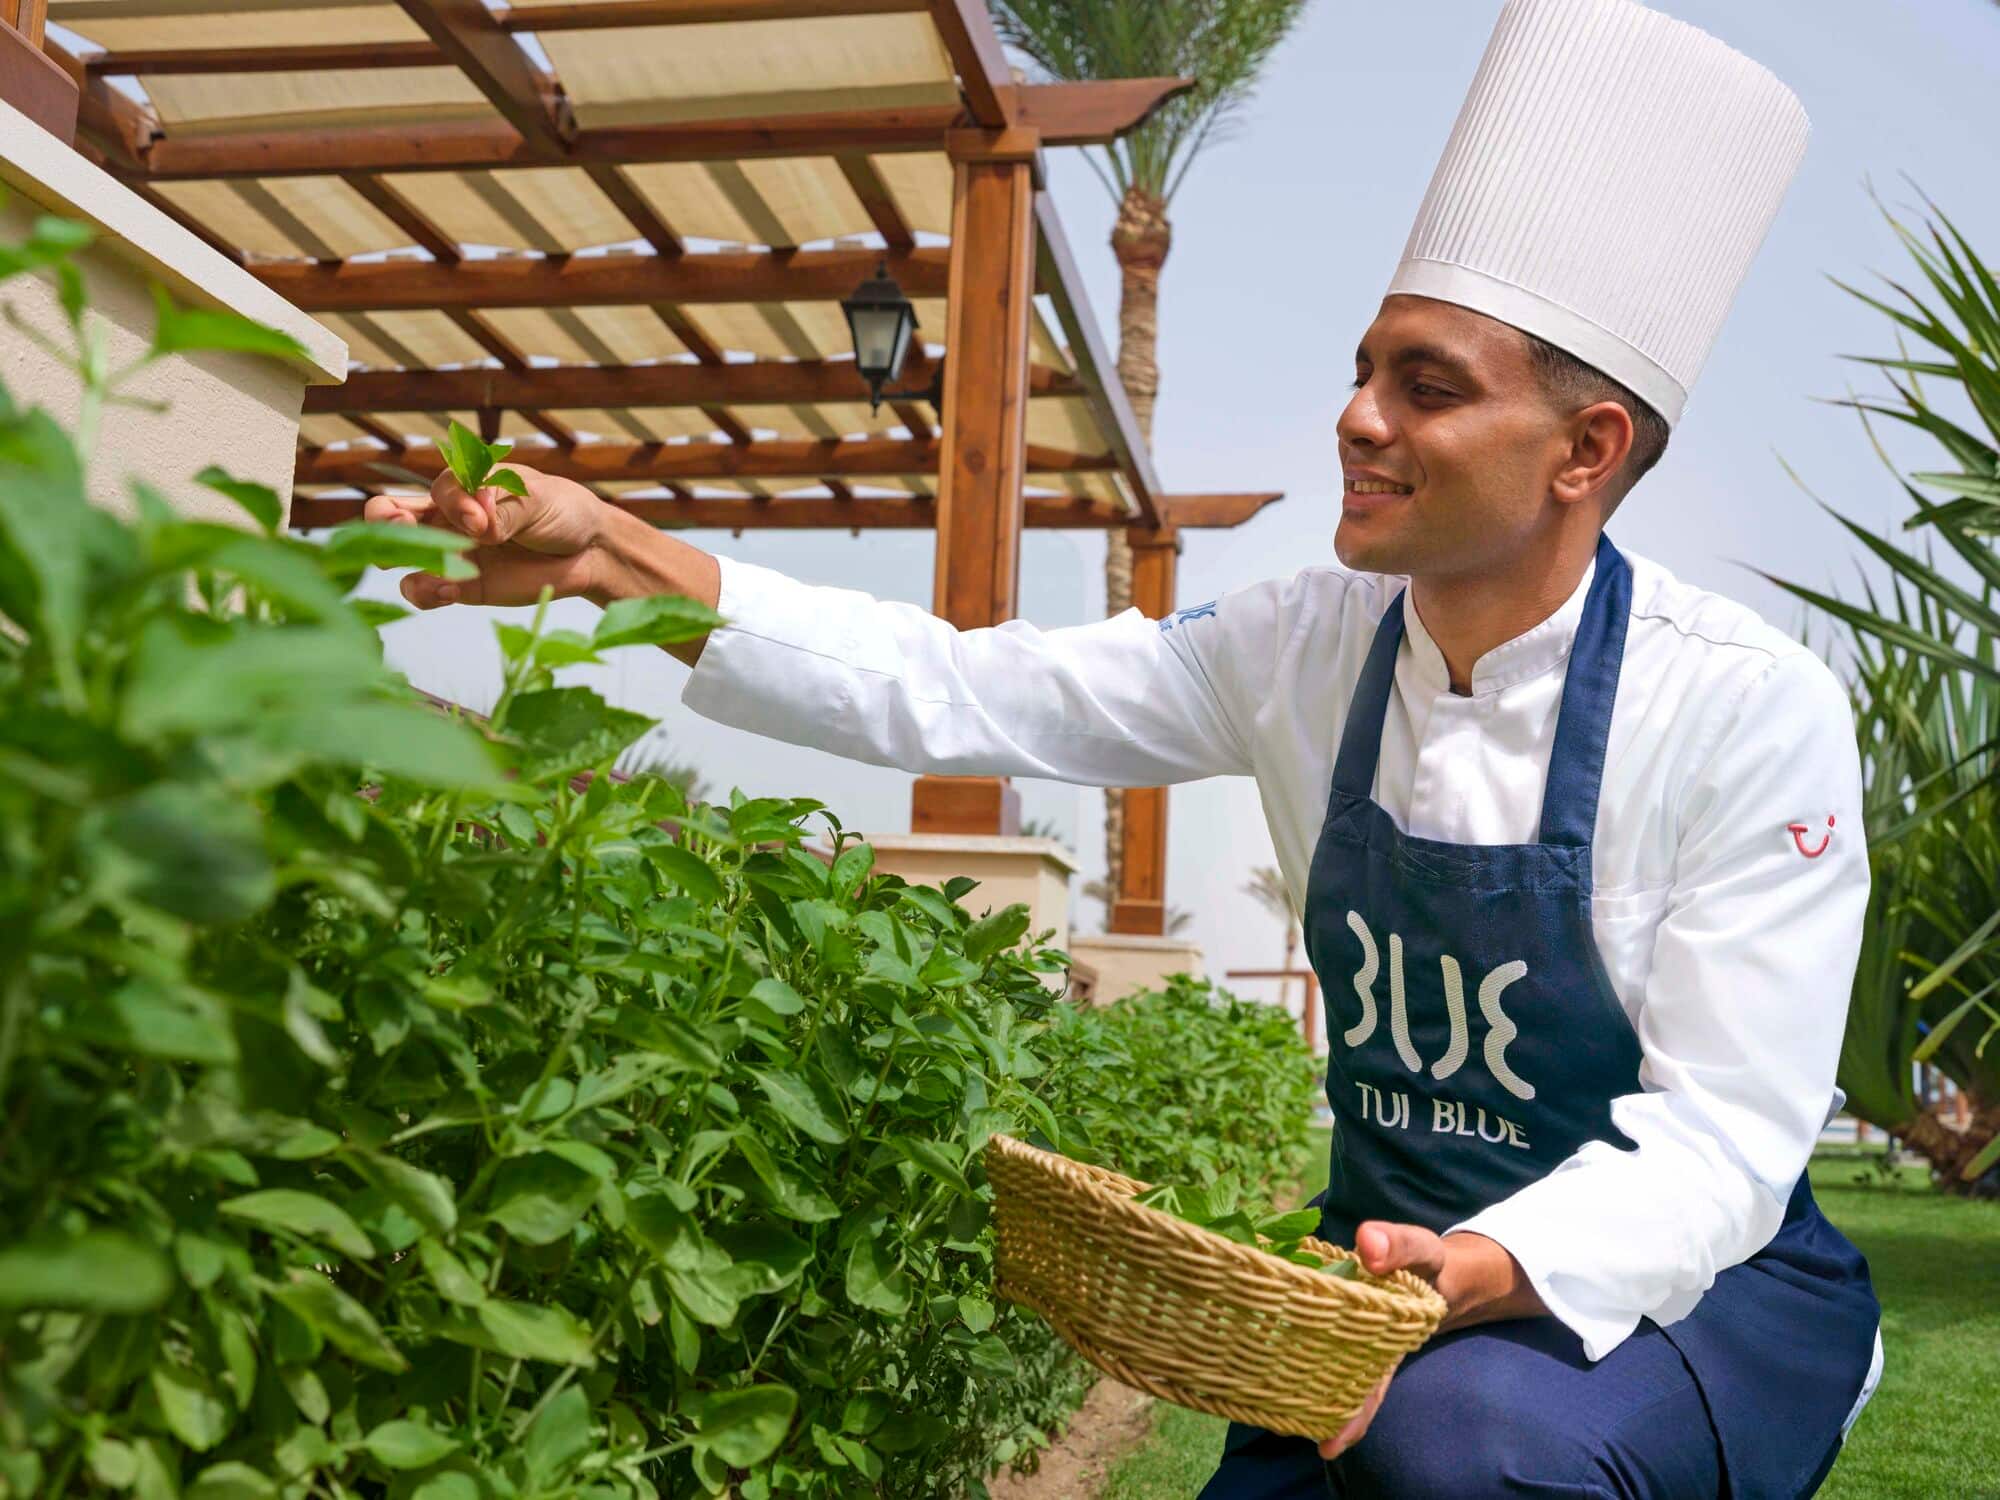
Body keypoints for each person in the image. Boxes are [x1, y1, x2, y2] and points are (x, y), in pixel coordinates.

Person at [369, 0, 1886, 1492]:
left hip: (1676, 1292)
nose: (1353, 418)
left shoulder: (1745, 711)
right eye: (1366, 368)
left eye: (1426, 388)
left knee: (1466, 1451)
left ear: (1586, 450)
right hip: (1367, 1290)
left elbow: (1724, 1139)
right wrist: (612, 561)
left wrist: (1484, 1267)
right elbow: (957, 691)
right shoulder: (1296, 646)